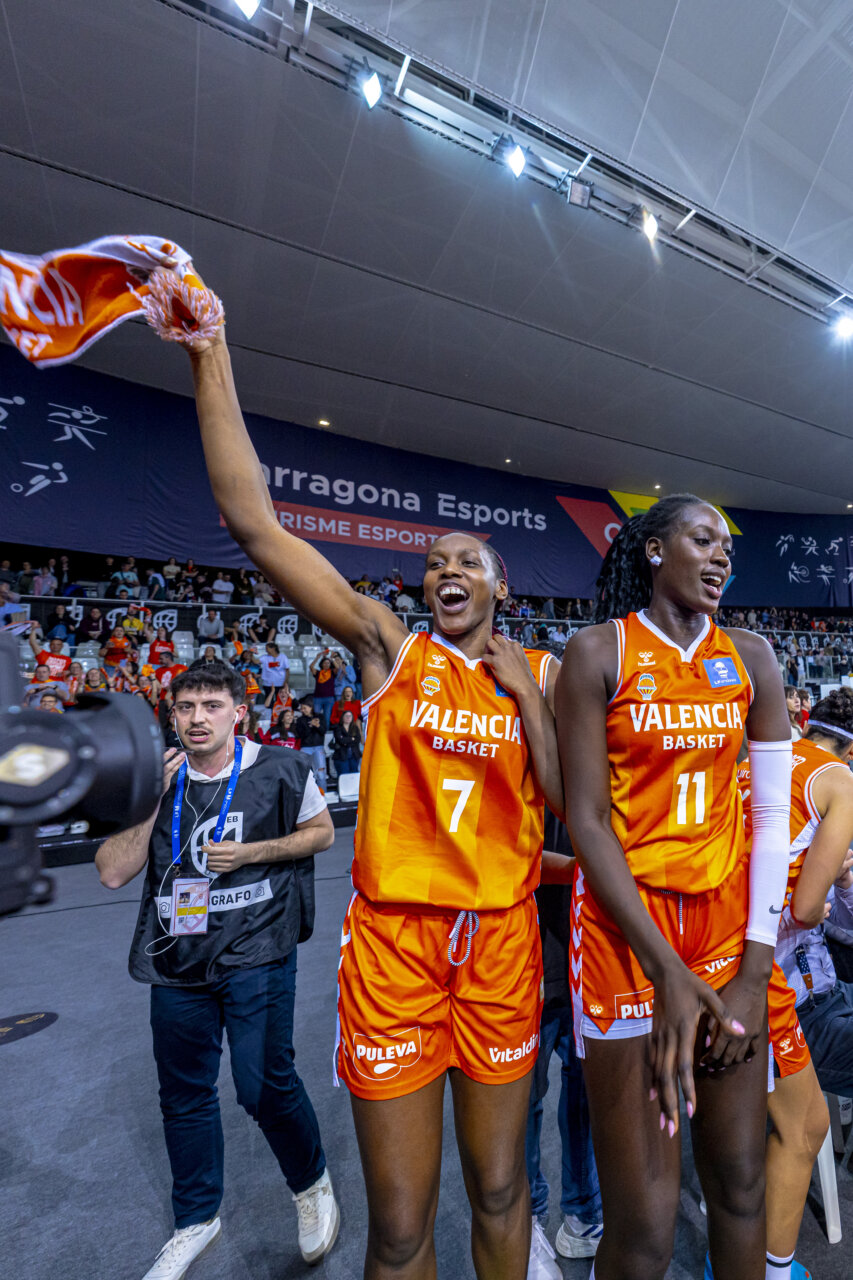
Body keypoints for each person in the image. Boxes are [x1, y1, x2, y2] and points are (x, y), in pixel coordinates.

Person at [175, 319, 563, 1280]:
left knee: (502, 1191)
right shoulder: (390, 648)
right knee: (397, 1228)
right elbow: (254, 524)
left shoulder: (546, 676)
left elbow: (570, 801)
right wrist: (210, 353)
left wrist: (527, 696)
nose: (446, 571)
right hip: (396, 948)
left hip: (501, 944)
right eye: (434, 562)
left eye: (466, 560)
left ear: (501, 585)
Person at [556, 493, 791, 1280]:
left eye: (727, 547)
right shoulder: (598, 651)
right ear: (653, 550)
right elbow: (587, 822)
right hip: (627, 944)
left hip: (727, 938)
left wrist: (755, 970)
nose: (721, 556)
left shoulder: (750, 656)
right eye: (702, 540)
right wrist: (664, 971)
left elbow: (769, 819)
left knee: (741, 1187)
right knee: (646, 1223)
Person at [95, 660, 339, 1277]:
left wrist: (253, 852)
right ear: (172, 715)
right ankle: (196, 1219)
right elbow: (112, 871)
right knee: (183, 1093)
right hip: (178, 957)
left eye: (211, 706)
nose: (198, 718)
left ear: (239, 713)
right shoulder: (152, 779)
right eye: (186, 708)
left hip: (258, 947)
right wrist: (150, 802)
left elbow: (321, 833)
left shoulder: (282, 768)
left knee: (262, 1085)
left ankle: (311, 1183)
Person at [525, 810, 602, 1262]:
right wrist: (592, 865)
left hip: (586, 952)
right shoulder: (522, 771)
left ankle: (583, 1213)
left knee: (584, 1091)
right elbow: (506, 854)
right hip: (522, 954)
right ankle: (528, 1220)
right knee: (523, 1102)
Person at [294, 697, 327, 792]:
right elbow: (301, 735)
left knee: (321, 773)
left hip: (318, 747)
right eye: (302, 708)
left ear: (311, 707)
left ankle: (322, 795)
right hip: (305, 747)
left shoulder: (320, 717)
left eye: (305, 708)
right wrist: (310, 726)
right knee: (304, 773)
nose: (303, 710)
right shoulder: (300, 720)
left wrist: (318, 726)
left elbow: (323, 731)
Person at [259, 642, 290, 708]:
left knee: (280, 701)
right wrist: (252, 653)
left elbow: (287, 670)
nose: (266, 650)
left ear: (273, 648)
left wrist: (285, 682)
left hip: (280, 682)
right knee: (268, 702)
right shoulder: (264, 657)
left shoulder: (283, 657)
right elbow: (256, 661)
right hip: (267, 683)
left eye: (267, 648)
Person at [331, 709, 361, 776]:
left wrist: (346, 741)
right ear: (342, 717)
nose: (348, 717)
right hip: (341, 756)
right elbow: (341, 740)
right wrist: (352, 738)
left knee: (354, 775)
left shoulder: (355, 727)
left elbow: (357, 740)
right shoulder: (337, 728)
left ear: (352, 718)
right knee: (344, 776)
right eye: (346, 716)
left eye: (350, 716)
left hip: (354, 755)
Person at [308, 652, 335, 723]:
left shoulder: (332, 672)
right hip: (318, 698)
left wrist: (332, 659)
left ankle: (325, 730)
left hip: (329, 698)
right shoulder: (318, 673)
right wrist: (317, 657)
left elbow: (338, 668)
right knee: (316, 716)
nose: (326, 664)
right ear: (322, 664)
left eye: (328, 663)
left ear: (330, 664)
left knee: (327, 717)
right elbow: (311, 667)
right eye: (325, 663)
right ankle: (317, 729)